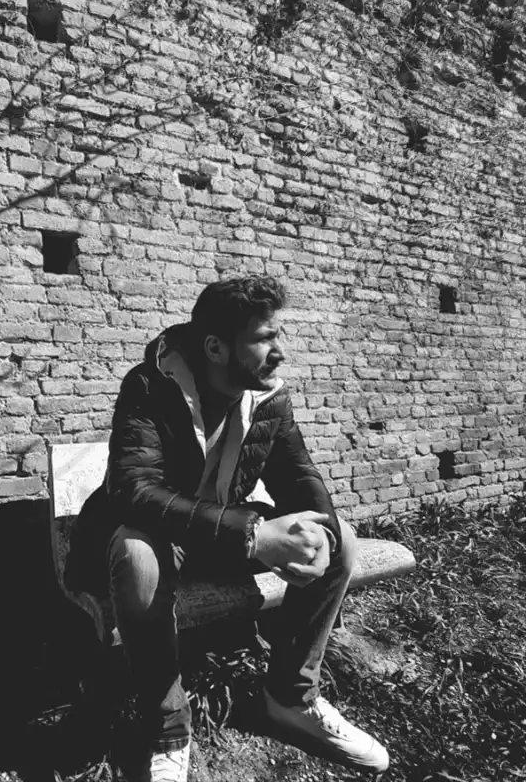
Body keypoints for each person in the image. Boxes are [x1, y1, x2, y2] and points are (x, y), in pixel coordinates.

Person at [64, 276, 388, 782]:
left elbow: (298, 474)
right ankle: (167, 730)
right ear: (215, 348)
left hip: (216, 535)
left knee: (340, 538)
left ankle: (290, 699)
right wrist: (253, 535)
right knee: (137, 556)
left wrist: (320, 533)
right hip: (155, 533)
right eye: (264, 338)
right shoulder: (150, 385)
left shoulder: (268, 397)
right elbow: (134, 489)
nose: (280, 352)